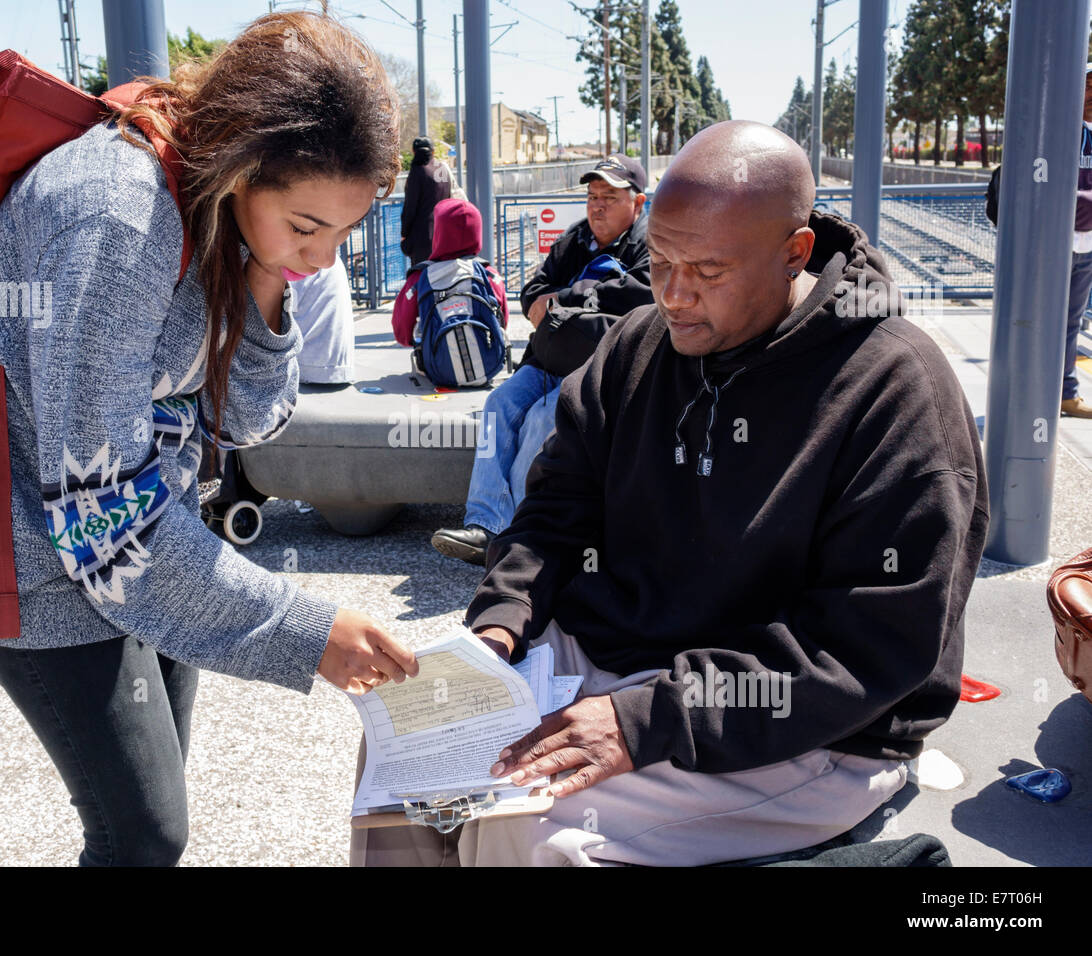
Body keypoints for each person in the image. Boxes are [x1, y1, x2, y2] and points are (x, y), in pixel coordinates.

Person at [353, 121, 987, 867]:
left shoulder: (894, 387)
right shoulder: (639, 343)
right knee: (406, 755)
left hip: (807, 722)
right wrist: (500, 624)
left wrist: (643, 719)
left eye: (709, 271)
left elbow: (865, 649)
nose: (675, 296)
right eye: (658, 262)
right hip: (620, 661)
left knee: (528, 827)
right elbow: (556, 511)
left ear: (795, 255)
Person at [0, 12, 419, 867]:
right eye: (307, 227)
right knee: (143, 834)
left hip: (140, 525)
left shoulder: (220, 205)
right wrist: (307, 631)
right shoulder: (115, 219)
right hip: (16, 535)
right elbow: (101, 524)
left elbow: (244, 422)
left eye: (341, 234)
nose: (322, 257)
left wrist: (268, 279)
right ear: (246, 162)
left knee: (153, 814)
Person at [430, 155, 652, 566]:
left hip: (596, 370)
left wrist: (566, 300)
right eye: (592, 195)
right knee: (500, 404)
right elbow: (532, 292)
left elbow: (638, 298)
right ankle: (486, 525)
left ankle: (516, 536)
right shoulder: (575, 239)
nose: (597, 205)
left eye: (609, 196)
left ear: (637, 203)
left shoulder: (649, 245)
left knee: (542, 419)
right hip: (547, 359)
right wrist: (568, 302)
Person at [391, 197, 509, 349]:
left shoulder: (420, 278)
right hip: (488, 363)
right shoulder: (490, 275)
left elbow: (402, 331)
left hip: (435, 367)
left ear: (439, 232)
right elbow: (502, 321)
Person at [1059, 63, 1092, 417]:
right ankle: (1031, 387)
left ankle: (1067, 393)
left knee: (1072, 322)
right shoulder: (1064, 132)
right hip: (1058, 244)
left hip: (1088, 243)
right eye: (1088, 85)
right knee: (1044, 319)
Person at [290, 249, 357, 385]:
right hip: (343, 365)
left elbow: (277, 311)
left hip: (308, 366)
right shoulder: (331, 258)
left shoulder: (300, 261)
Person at [400, 136, 453, 268]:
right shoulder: (442, 168)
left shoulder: (418, 171)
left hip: (422, 238)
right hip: (444, 235)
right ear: (433, 152)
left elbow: (410, 207)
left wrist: (404, 233)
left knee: (422, 280)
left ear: (414, 152)